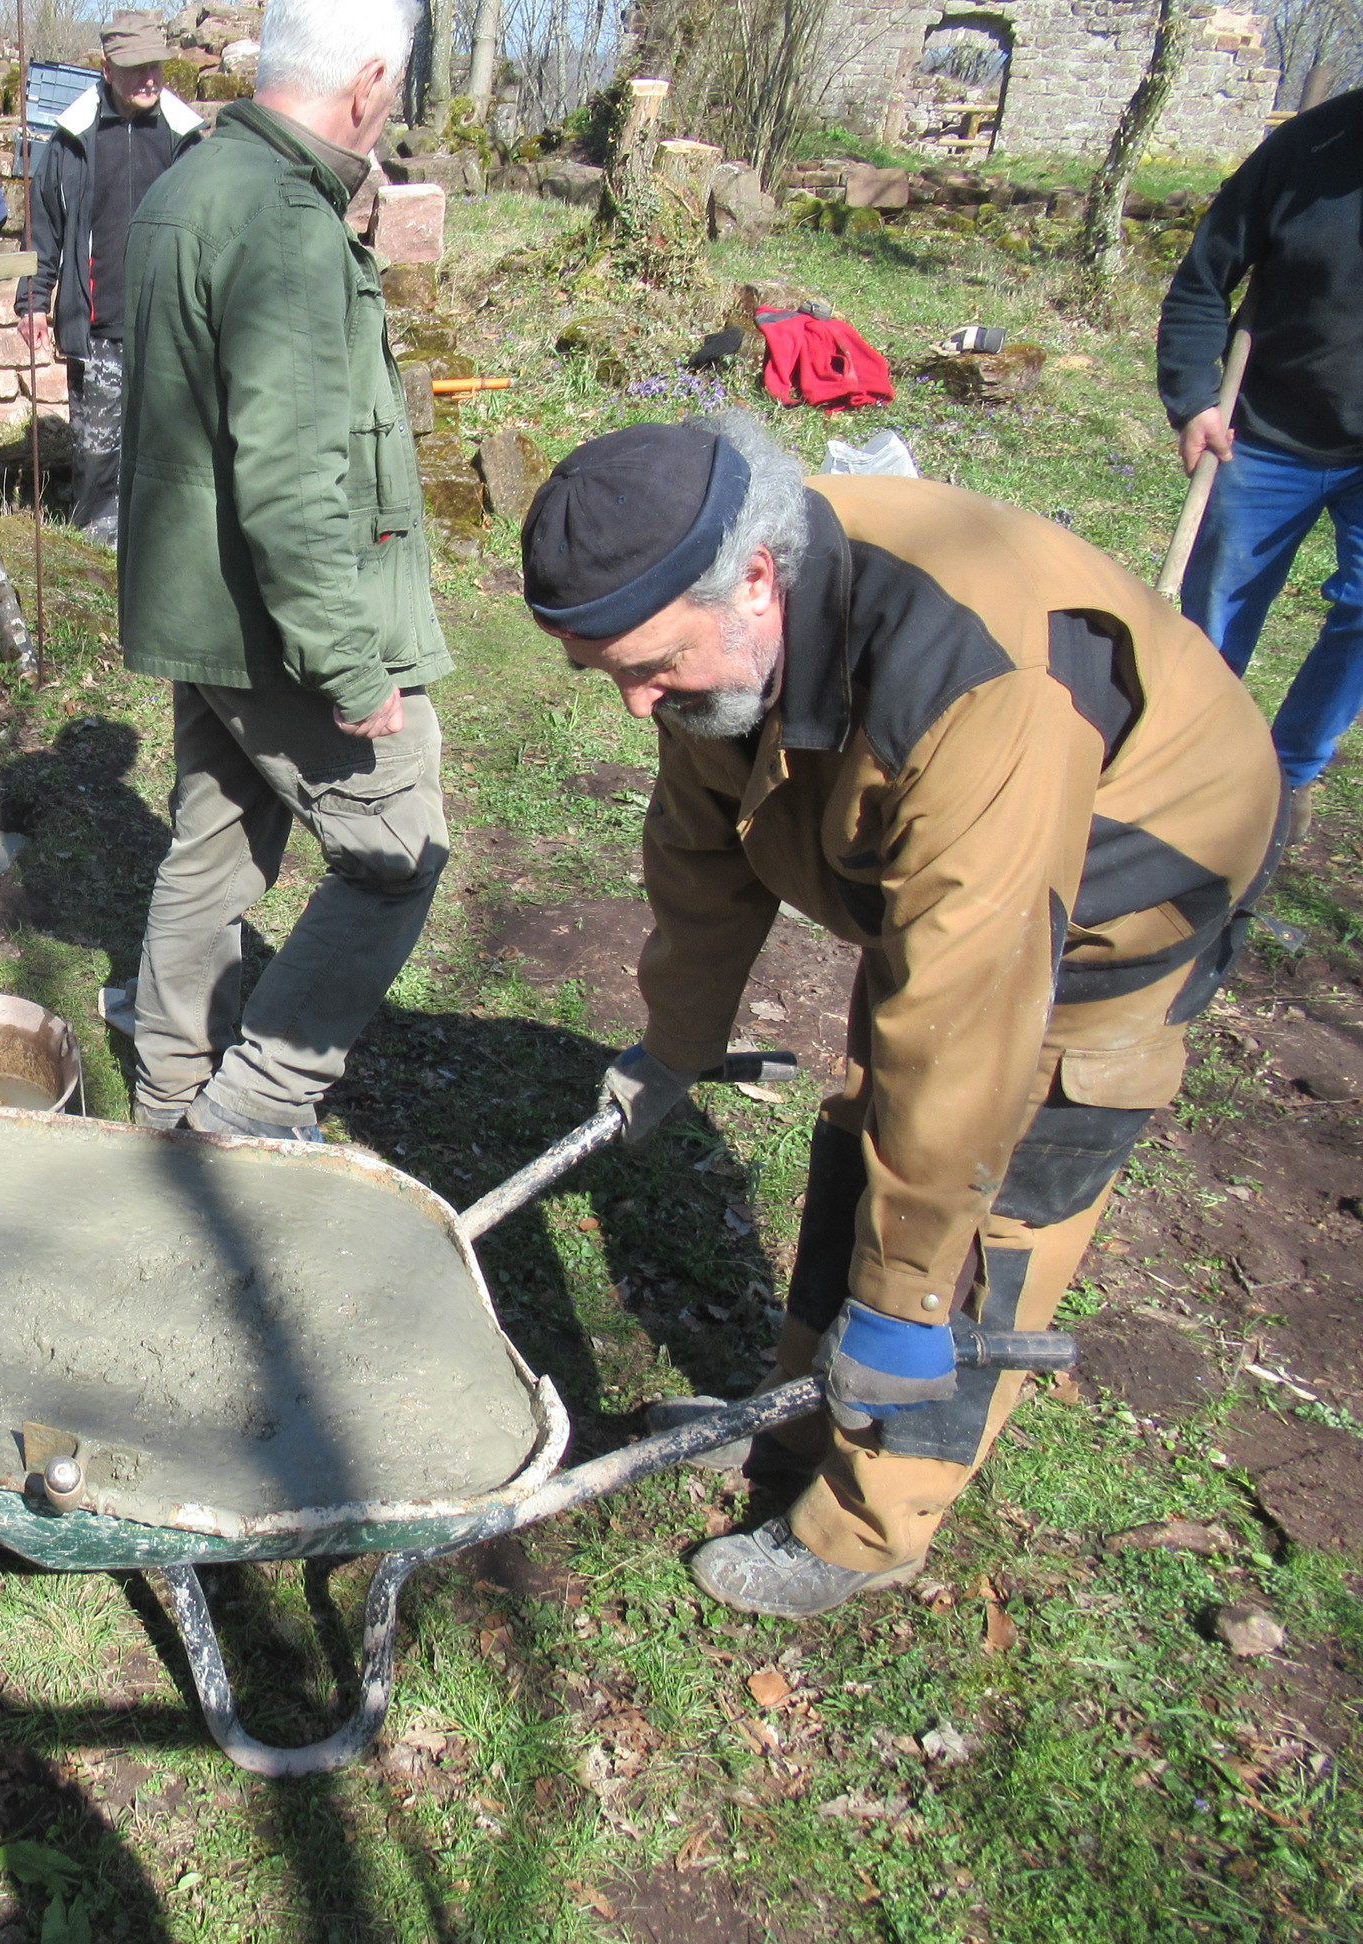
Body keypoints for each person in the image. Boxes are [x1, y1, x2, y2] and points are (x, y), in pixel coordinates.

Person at [521, 416, 1283, 1616]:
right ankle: (799, 1417)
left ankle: (871, 1523)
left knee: (987, 1182)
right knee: (877, 1109)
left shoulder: (972, 684)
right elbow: (703, 851)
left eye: (651, 668)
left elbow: (970, 1020)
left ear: (756, 580)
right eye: (606, 672)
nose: (634, 704)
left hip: (1128, 872)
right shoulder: (713, 615)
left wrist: (912, 1297)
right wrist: (678, 1041)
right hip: (945, 849)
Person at [113, 0, 443, 1143]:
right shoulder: (287, 222)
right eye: (393, 93)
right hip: (276, 623)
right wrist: (351, 665)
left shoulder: (191, 184)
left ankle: (169, 1101)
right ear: (369, 83)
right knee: (398, 851)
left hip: (203, 609)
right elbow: (294, 482)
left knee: (215, 848)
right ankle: (246, 1115)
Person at [1160, 87, 1363, 844]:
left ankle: (1288, 773)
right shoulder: (1306, 149)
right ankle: (1192, 764)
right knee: (1215, 615)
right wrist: (1193, 399)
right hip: (1263, 435)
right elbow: (1204, 278)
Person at [18, 11, 205, 547]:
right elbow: (43, 226)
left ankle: (164, 552)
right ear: (106, 69)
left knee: (170, 450)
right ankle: (96, 560)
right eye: (135, 68)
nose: (148, 78)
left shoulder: (187, 139)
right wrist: (33, 301)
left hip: (170, 326)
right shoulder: (72, 139)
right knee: (98, 456)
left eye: (155, 66)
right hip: (98, 328)